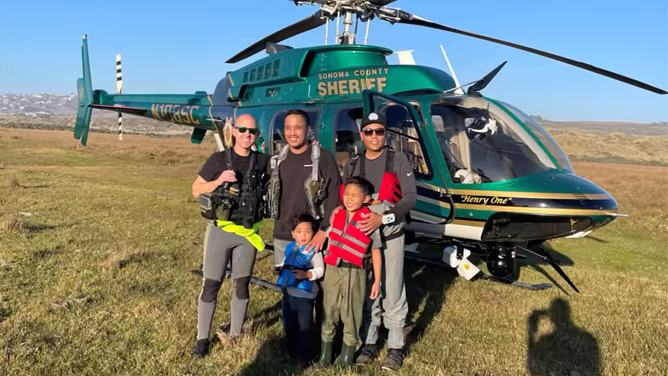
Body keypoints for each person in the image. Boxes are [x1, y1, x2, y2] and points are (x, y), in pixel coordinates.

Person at [332, 111, 417, 370]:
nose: (374, 136)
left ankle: (395, 345)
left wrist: (384, 219)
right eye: (369, 131)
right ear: (362, 135)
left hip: (389, 234)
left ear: (385, 134)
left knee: (392, 287)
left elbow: (410, 198)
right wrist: (338, 210)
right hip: (361, 237)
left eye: (379, 131)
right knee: (369, 287)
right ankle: (369, 341)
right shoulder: (353, 163)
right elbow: (347, 197)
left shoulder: (398, 159)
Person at [190, 113, 271, 358]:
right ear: (234, 131)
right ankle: (202, 339)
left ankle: (235, 335)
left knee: (242, 284)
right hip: (221, 232)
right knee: (212, 284)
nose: (247, 135)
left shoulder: (263, 161)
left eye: (252, 131)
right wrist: (217, 182)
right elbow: (195, 190)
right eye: (243, 130)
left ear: (257, 136)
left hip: (248, 234)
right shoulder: (218, 160)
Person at [267, 109, 342, 325]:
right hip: (283, 233)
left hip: (313, 234)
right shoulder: (277, 160)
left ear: (308, 130)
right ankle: (292, 332)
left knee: (317, 283)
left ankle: (320, 332)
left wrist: (322, 232)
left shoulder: (322, 157)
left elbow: (334, 196)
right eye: (288, 128)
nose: (292, 132)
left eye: (298, 127)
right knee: (289, 283)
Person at [318, 176, 382, 368]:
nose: (349, 198)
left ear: (366, 199)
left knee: (351, 315)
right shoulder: (336, 215)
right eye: (346, 194)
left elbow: (376, 251)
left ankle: (346, 358)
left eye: (355, 195)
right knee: (329, 312)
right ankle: (325, 356)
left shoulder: (369, 220)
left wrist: (377, 280)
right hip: (333, 271)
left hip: (355, 272)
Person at [276, 213, 325, 369]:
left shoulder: (314, 250)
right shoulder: (290, 247)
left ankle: (304, 357)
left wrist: (307, 274)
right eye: (299, 231)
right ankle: (291, 350)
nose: (303, 235)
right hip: (289, 292)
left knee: (304, 325)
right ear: (292, 234)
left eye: (308, 231)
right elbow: (285, 262)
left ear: (314, 233)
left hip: (305, 295)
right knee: (289, 322)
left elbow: (320, 270)